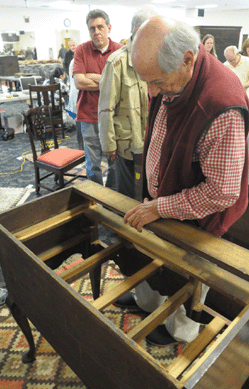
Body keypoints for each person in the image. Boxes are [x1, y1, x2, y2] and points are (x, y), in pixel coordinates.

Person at [115, 16, 249, 346]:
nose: (152, 92)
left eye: (158, 82)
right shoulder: (173, 76)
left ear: (188, 59)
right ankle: (149, 303)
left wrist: (162, 205)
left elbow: (221, 192)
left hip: (199, 217)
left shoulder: (222, 105)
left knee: (190, 273)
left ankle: (181, 328)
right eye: (146, 81)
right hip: (163, 198)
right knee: (152, 255)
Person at [98, 8, 157, 199]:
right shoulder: (117, 63)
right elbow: (105, 108)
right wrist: (108, 144)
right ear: (139, 30)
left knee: (147, 186)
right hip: (128, 142)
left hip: (151, 139)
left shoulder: (156, 59)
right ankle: (123, 225)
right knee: (128, 190)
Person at [73, 9, 122, 188]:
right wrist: (107, 81)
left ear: (109, 28)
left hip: (114, 117)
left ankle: (111, 198)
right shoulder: (81, 50)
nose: (96, 31)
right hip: (88, 115)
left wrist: (91, 75)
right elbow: (79, 82)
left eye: (100, 27)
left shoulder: (119, 51)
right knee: (92, 165)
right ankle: (95, 198)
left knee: (114, 164)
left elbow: (121, 85)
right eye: (92, 28)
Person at [68, 58, 84, 150]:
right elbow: (82, 80)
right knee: (80, 126)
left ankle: (82, 148)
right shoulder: (77, 60)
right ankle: (81, 150)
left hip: (79, 95)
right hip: (78, 95)